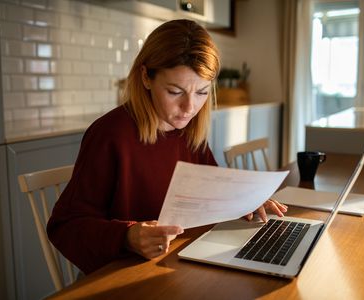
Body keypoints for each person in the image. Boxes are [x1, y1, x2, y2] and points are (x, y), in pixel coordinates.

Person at [47, 19, 288, 275]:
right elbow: (65, 226)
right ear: (145, 77)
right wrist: (127, 236)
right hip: (129, 276)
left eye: (202, 92)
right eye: (175, 92)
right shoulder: (110, 134)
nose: (190, 108)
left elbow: (213, 194)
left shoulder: (190, 133)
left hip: (182, 267)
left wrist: (245, 201)